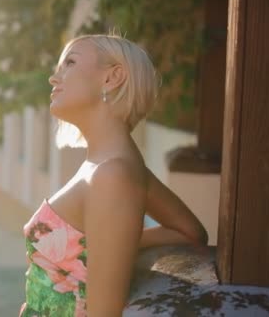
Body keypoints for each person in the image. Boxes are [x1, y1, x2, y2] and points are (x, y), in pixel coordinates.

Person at [20, 34, 208, 316]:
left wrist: (109, 245)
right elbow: (190, 232)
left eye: (69, 63)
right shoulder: (112, 166)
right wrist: (108, 245)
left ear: (112, 78)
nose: (54, 78)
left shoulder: (113, 174)